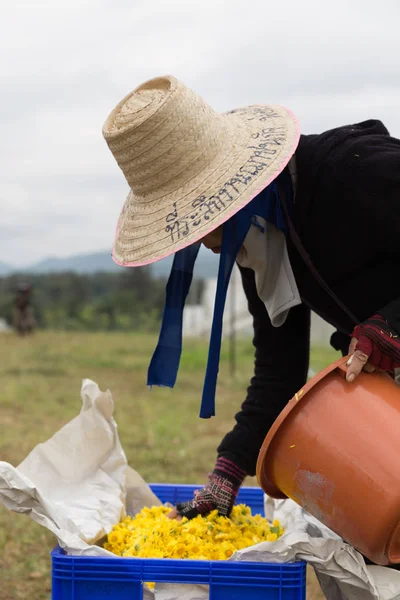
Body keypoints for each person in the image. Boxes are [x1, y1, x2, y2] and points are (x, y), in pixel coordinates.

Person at [102, 75, 400, 523]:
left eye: (198, 218)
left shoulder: (351, 171)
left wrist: (392, 325)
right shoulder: (258, 242)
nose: (202, 243)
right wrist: (228, 471)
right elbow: (278, 373)